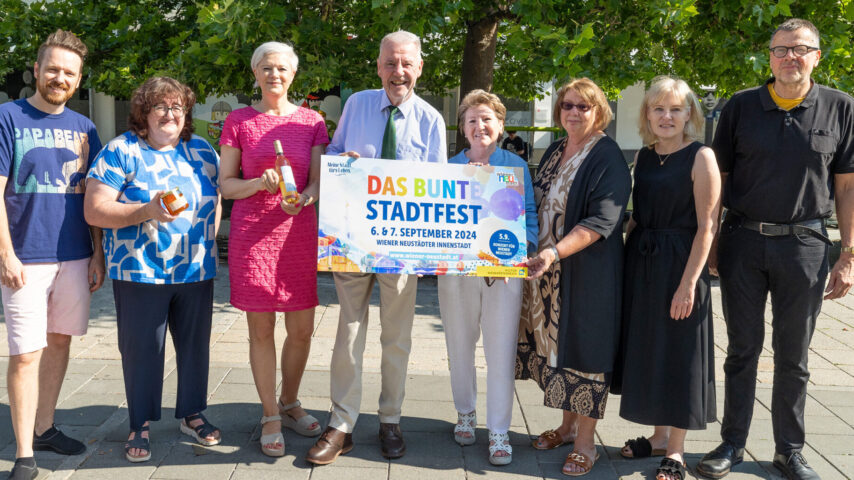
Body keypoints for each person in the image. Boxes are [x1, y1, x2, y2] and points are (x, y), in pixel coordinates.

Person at [696, 18, 854, 480]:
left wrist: (848, 255)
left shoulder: (841, 108)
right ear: (768, 56)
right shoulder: (741, 107)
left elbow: (846, 189)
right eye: (782, 49)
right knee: (741, 351)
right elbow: (717, 182)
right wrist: (711, 245)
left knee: (795, 357)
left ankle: (789, 449)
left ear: (816, 56)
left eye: (801, 49)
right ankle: (732, 444)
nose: (791, 57)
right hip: (742, 242)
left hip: (806, 246)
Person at [306, 30, 447, 465]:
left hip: (401, 249)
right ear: (378, 65)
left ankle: (390, 419)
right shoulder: (357, 105)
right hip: (351, 240)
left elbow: (439, 190)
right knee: (348, 333)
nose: (397, 71)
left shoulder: (432, 121)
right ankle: (342, 422)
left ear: (420, 67)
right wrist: (339, 163)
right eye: (390, 62)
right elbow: (332, 152)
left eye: (406, 63)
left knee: (397, 338)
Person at [84, 76, 222, 463]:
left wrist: (209, 239)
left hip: (195, 269)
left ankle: (192, 413)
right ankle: (140, 422)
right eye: (160, 106)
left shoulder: (203, 151)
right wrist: (145, 210)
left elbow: (217, 198)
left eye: (178, 106)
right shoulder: (121, 151)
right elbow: (94, 209)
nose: (170, 113)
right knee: (142, 350)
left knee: (195, 347)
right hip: (140, 271)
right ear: (143, 112)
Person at [0, 29, 104, 480]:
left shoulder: (86, 129)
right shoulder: (8, 117)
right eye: (53, 69)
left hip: (76, 254)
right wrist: (5, 254)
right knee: (25, 353)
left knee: (60, 340)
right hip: (25, 256)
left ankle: (45, 427)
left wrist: (98, 253)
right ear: (37, 70)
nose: (60, 77)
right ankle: (25, 454)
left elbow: (94, 198)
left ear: (78, 80)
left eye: (69, 72)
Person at [516, 78, 631, 477]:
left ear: (599, 110)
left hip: (587, 275)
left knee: (586, 357)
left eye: (584, 106)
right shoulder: (553, 150)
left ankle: (586, 443)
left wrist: (553, 251)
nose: (574, 112)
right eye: (567, 105)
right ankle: (566, 429)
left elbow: (603, 220)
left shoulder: (608, 156)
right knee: (558, 353)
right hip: (547, 276)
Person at [219, 41, 328, 457]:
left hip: (297, 233)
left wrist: (306, 199)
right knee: (261, 330)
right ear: (255, 73)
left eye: (282, 68)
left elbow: (317, 182)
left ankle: (290, 401)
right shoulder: (239, 121)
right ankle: (269, 412)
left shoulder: (312, 121)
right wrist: (257, 184)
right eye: (266, 67)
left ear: (294, 74)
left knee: (301, 330)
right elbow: (227, 184)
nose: (274, 74)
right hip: (254, 236)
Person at [613, 76, 720, 480]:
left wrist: (689, 283)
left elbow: (707, 226)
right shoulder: (643, 156)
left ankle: (675, 450)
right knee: (652, 350)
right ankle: (658, 438)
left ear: (689, 113)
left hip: (681, 263)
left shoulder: (701, 156)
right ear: (647, 115)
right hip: (643, 263)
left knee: (680, 353)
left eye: (676, 109)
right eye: (658, 108)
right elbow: (638, 215)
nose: (667, 116)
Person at [438, 89, 536, 466]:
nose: (480, 126)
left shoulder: (515, 166)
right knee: (458, 345)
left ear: (500, 125)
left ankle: (498, 431)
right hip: (457, 273)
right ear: (463, 128)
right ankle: (465, 412)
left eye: (487, 119)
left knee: (500, 351)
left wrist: (519, 254)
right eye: (472, 120)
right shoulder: (447, 167)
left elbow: (528, 213)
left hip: (503, 275)